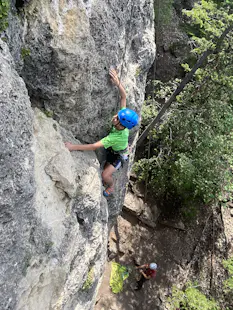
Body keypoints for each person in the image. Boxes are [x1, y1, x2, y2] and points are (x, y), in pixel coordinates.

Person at [65, 68, 139, 197]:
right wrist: (117, 82)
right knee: (106, 164)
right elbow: (124, 97)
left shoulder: (114, 137)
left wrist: (72, 147)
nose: (114, 117)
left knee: (105, 175)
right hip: (115, 149)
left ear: (121, 125)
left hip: (119, 156)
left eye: (117, 118)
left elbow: (93, 146)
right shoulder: (123, 123)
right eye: (117, 115)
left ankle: (111, 185)